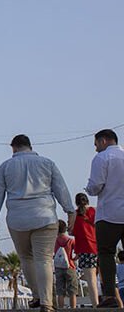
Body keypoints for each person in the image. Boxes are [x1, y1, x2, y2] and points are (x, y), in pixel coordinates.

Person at [0, 134, 75, 312]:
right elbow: (61, 189)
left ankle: (36, 295)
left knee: (26, 258)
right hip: (45, 216)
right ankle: (46, 302)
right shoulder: (47, 163)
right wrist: (69, 210)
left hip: (18, 219)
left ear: (13, 147)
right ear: (30, 146)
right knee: (44, 259)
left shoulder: (5, 166)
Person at [85, 128, 124, 308]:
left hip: (109, 213)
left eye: (96, 144)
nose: (95, 148)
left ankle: (110, 295)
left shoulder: (101, 158)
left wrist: (88, 189)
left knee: (107, 253)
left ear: (103, 141)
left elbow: (95, 186)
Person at [72, 192, 99, 304]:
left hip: (85, 249)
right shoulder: (95, 211)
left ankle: (95, 304)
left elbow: (71, 230)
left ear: (76, 202)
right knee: (106, 278)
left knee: (91, 280)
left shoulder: (75, 214)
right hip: (99, 247)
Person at [53, 220, 79, 309]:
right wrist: (74, 259)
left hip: (58, 268)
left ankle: (61, 308)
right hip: (70, 266)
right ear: (65, 229)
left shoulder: (54, 241)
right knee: (72, 291)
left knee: (60, 291)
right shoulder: (70, 240)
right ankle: (73, 308)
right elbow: (78, 253)